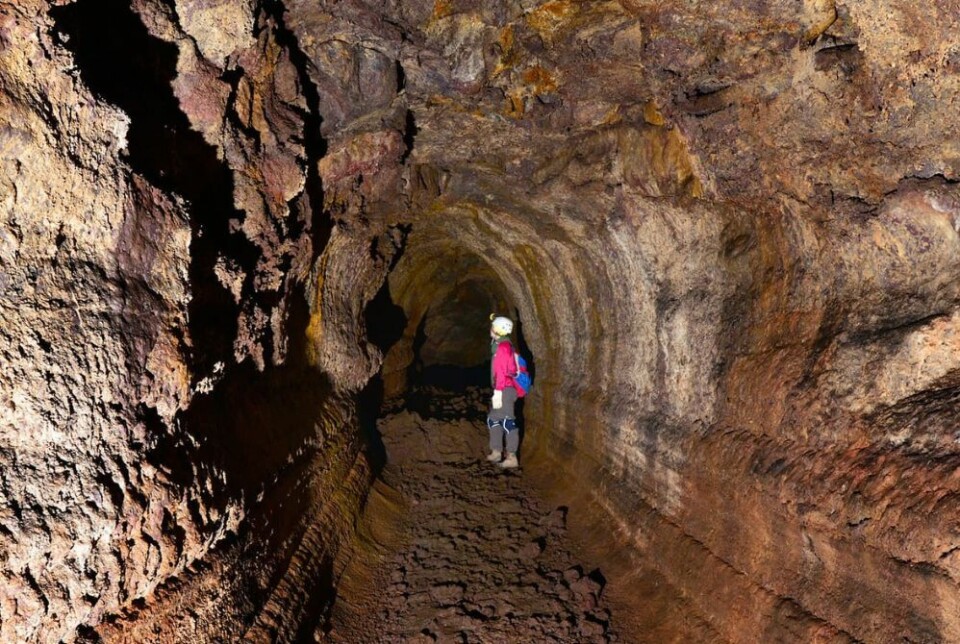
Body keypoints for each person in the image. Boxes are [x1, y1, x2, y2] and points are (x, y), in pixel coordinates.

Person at [487, 315, 520, 469]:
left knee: (507, 421)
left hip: (505, 389)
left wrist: (498, 392)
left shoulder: (503, 347)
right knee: (493, 419)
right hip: (502, 388)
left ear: (498, 330)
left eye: (493, 326)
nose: (491, 329)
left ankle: (512, 457)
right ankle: (496, 452)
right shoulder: (500, 345)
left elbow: (501, 371)